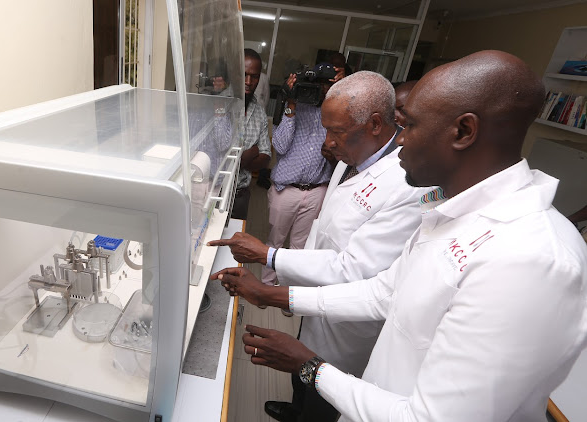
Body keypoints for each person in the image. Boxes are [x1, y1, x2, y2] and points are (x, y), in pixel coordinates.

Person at [213, 50, 587, 421]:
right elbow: (382, 294)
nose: (400, 141)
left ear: (463, 131)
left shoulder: (531, 258)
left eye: (409, 125)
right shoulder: (451, 210)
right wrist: (270, 294)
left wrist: (311, 367)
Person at [209, 71, 428, 422]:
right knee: (303, 374)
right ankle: (296, 410)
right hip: (315, 303)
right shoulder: (352, 157)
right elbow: (322, 233)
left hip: (346, 327)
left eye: (336, 132)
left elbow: (353, 269)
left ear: (374, 124)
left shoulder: (408, 185)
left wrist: (270, 260)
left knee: (323, 400)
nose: (327, 142)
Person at [264, 62, 342, 285]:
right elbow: (279, 146)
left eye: (328, 84)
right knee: (275, 241)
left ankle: (288, 291)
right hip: (286, 189)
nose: (322, 89)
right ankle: (267, 285)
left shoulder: (337, 115)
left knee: (300, 246)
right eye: (318, 84)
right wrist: (290, 103)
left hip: (318, 189)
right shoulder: (295, 106)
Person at [231, 49, 272, 220]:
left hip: (241, 195)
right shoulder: (220, 104)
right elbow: (218, 160)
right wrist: (250, 154)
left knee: (233, 243)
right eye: (244, 74)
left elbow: (266, 156)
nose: (249, 81)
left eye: (254, 76)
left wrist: (240, 160)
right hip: (213, 193)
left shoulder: (260, 112)